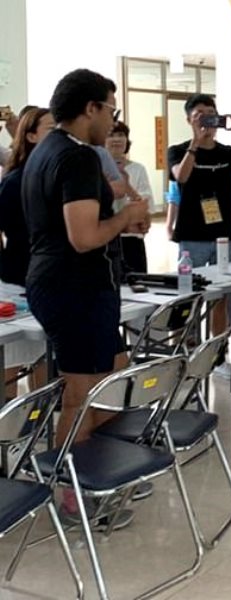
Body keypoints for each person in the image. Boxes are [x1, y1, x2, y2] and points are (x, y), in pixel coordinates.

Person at [22, 69, 149, 524]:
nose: (113, 120)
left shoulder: (49, 150)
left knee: (115, 379)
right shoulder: (75, 157)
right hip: (72, 287)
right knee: (82, 395)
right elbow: (83, 237)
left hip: (78, 285)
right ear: (90, 108)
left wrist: (121, 215)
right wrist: (125, 217)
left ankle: (106, 470)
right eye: (111, 109)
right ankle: (72, 495)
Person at [167, 94, 231, 376]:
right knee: (187, 295)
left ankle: (218, 353)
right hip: (191, 235)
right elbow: (181, 176)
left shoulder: (227, 153)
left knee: (222, 297)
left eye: (210, 113)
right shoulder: (177, 150)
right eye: (199, 114)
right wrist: (196, 142)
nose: (206, 119)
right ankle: (186, 348)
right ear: (189, 119)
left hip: (222, 236)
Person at [0, 107, 55, 285]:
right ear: (31, 137)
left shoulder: (64, 175)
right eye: (52, 129)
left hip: (59, 273)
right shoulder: (15, 181)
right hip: (22, 272)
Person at [105, 120, 154, 274]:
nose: (117, 139)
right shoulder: (95, 168)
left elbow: (145, 207)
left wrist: (127, 187)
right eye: (111, 135)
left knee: (137, 282)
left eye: (121, 135)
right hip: (105, 238)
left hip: (132, 240)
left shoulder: (138, 169)